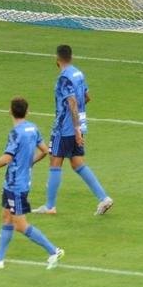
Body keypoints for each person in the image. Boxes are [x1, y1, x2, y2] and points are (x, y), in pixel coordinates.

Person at [0, 98, 64, 270]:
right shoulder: (32, 128)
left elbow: (7, 158)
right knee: (6, 218)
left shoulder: (16, 133)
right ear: (27, 111)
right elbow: (45, 151)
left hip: (16, 184)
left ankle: (54, 251)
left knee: (20, 225)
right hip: (14, 183)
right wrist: (29, 163)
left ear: (10, 111)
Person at [34, 45, 113, 216]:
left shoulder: (64, 78)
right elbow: (86, 97)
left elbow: (72, 102)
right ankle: (104, 198)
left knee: (55, 162)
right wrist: (79, 125)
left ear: (57, 58)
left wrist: (74, 127)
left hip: (64, 128)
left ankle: (49, 206)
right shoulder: (78, 73)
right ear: (71, 57)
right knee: (77, 163)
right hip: (78, 125)